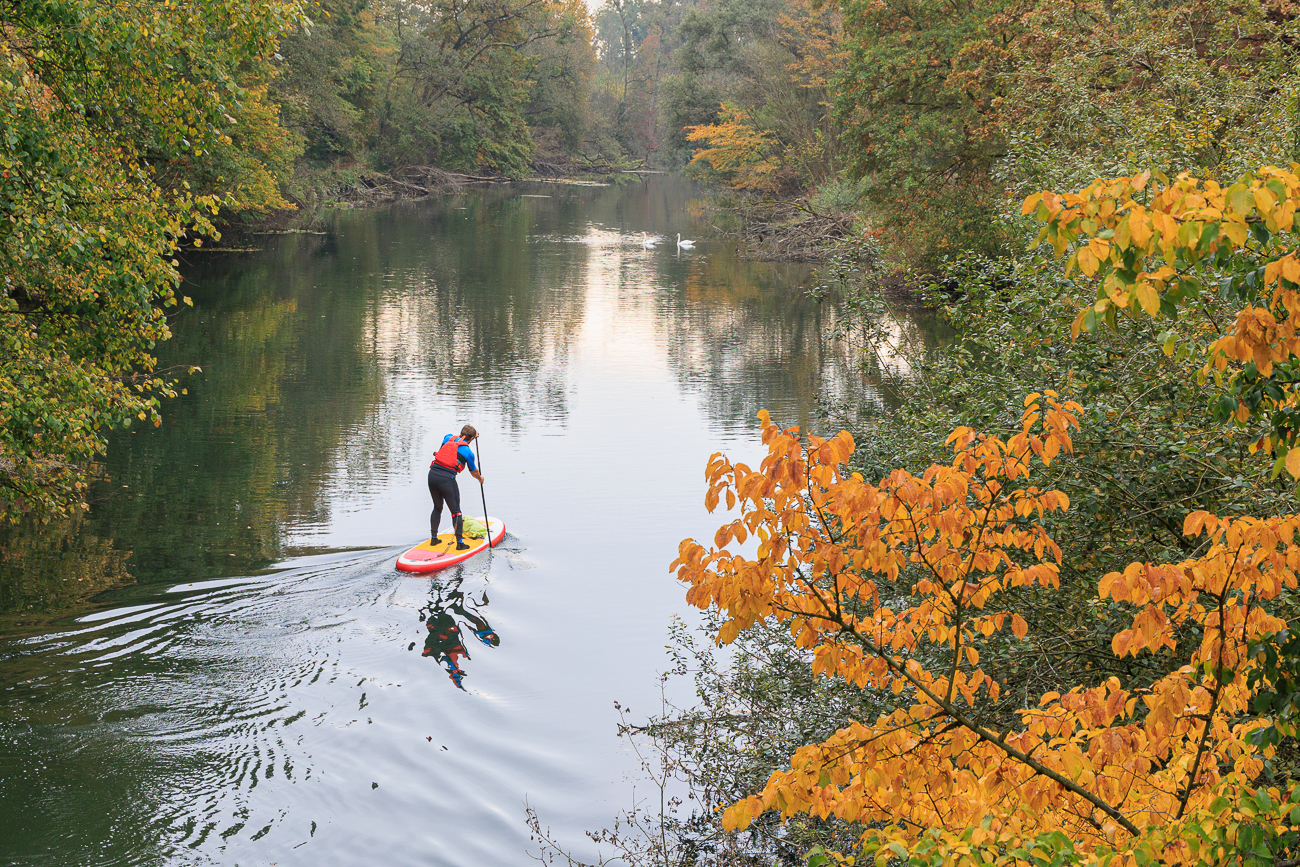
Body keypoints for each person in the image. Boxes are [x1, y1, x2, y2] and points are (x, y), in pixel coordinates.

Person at [428, 424, 484, 550]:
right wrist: (480, 479)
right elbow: (473, 472)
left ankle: (434, 539)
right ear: (471, 438)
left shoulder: (447, 437)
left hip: (432, 475)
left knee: (437, 508)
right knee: (456, 511)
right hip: (446, 480)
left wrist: (472, 435)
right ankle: (459, 543)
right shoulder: (468, 453)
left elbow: (445, 447)